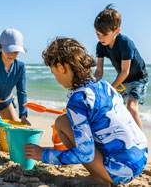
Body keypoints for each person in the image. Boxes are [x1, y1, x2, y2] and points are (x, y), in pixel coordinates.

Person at [23, 38, 148, 186]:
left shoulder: (78, 100)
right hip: (140, 158)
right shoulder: (103, 84)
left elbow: (85, 154)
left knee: (62, 122)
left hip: (120, 171)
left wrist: (43, 155)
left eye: (54, 72)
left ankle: (100, 178)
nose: (55, 78)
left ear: (61, 68)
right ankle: (102, 173)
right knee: (69, 121)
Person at [93, 4, 148, 129]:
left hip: (137, 78)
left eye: (104, 34)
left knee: (131, 108)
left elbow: (125, 71)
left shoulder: (125, 44)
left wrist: (111, 88)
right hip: (123, 79)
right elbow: (99, 70)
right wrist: (94, 86)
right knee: (115, 108)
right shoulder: (100, 45)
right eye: (97, 34)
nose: (100, 38)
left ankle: (142, 144)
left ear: (116, 31)